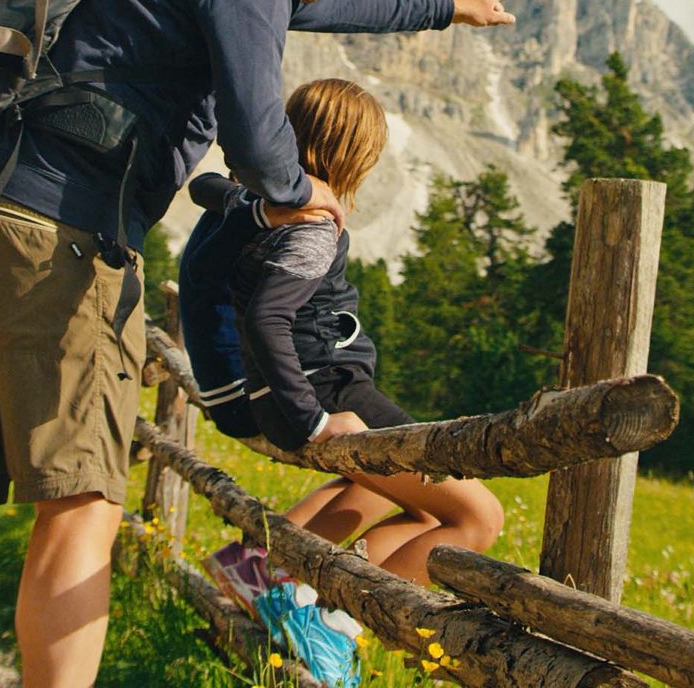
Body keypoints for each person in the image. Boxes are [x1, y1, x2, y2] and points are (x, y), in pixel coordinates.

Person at [0, 0, 521, 688]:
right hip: (59, 233)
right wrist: (297, 194)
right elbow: (254, 128)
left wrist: (448, 9)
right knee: (80, 513)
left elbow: (330, 1)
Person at [186, 79, 505, 587]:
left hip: (314, 385)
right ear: (355, 154)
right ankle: (334, 622)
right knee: (477, 516)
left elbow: (204, 187)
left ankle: (262, 574)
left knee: (389, 489)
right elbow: (266, 319)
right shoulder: (312, 225)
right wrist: (313, 422)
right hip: (326, 388)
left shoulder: (260, 201)